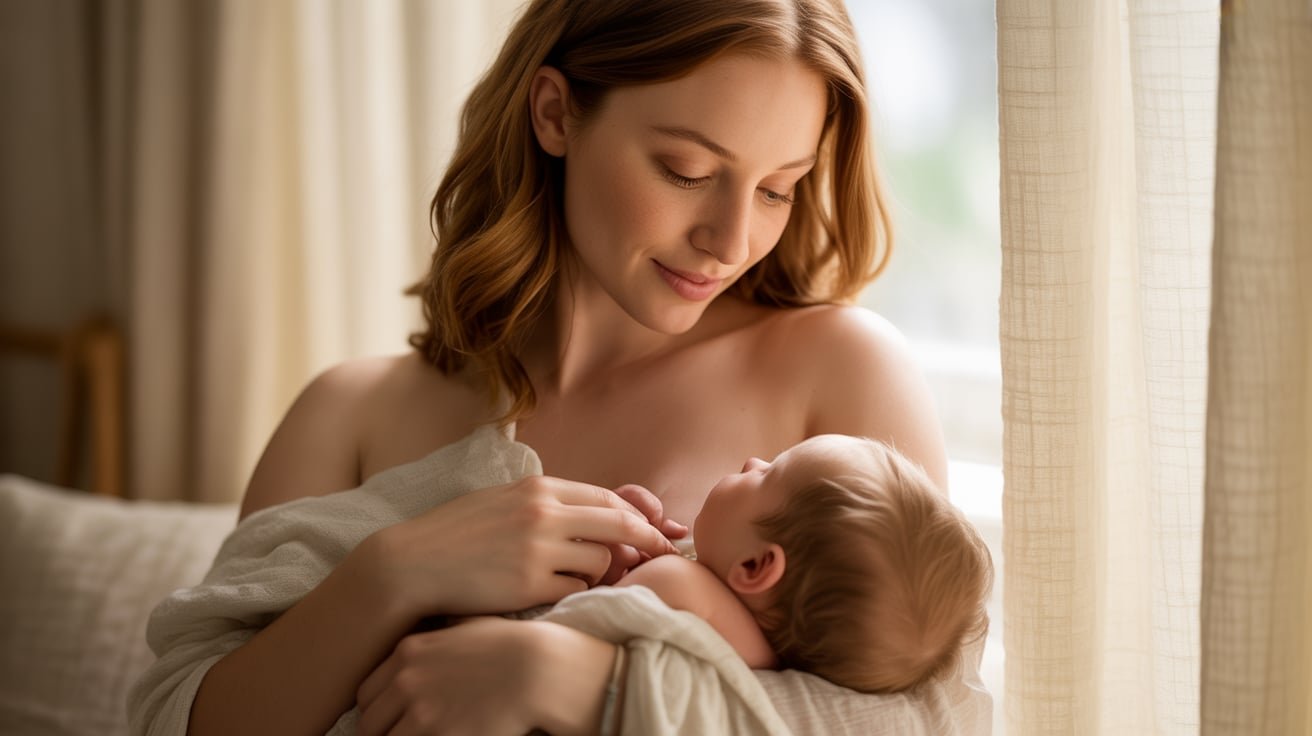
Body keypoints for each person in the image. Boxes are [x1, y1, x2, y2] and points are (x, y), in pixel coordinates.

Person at [180, 0, 962, 734]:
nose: (730, 240)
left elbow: (926, 720)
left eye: (777, 190)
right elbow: (185, 716)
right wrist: (394, 573)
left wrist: (587, 682)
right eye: (687, 171)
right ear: (555, 114)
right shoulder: (348, 414)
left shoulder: (840, 371)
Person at [615, 434, 993, 694]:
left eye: (767, 475)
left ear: (755, 566)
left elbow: (571, 621)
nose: (752, 462)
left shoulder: (678, 583)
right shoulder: (748, 651)